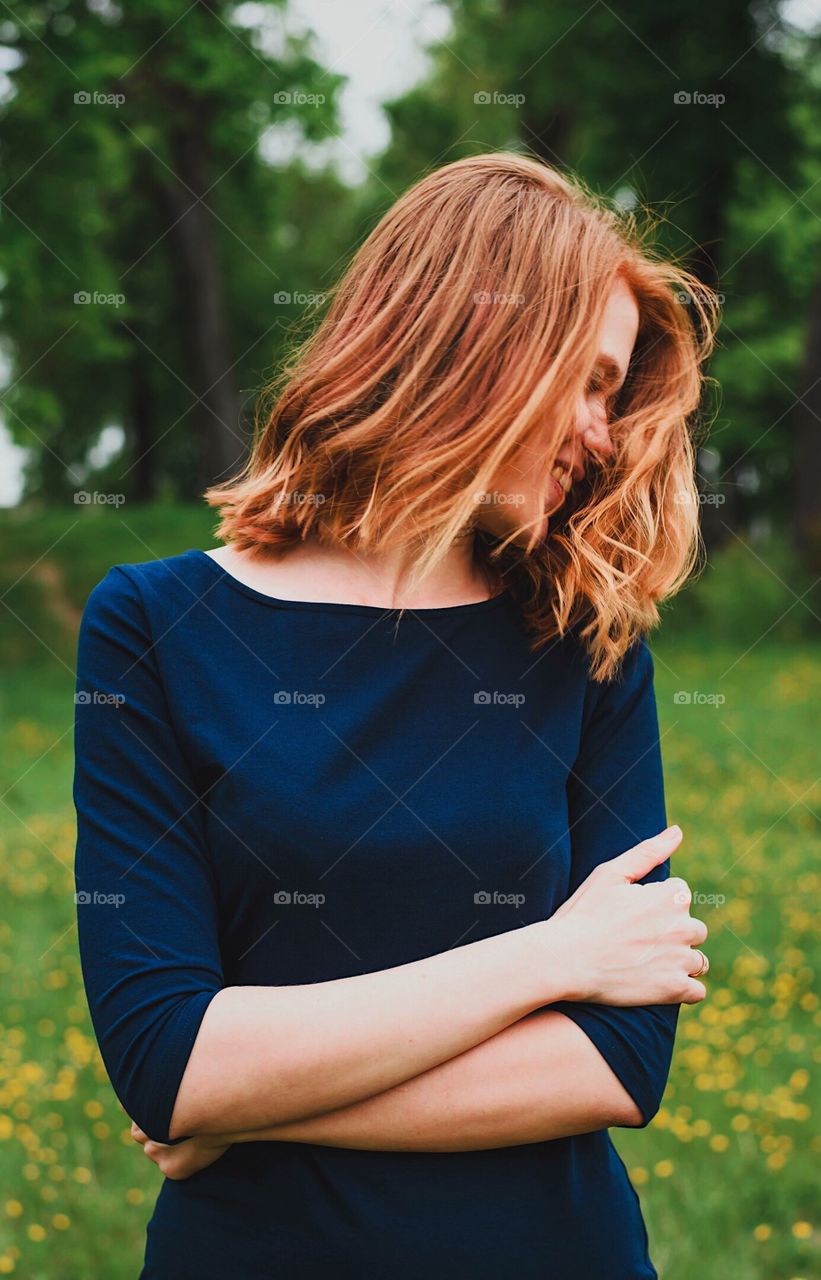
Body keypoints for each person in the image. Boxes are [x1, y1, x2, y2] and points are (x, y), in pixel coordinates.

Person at [73, 151, 718, 1279]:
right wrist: (549, 955)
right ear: (478, 341)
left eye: (612, 395)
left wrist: (250, 1099)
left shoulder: (584, 641)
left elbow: (617, 1062)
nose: (601, 432)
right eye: (586, 381)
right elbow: (166, 1058)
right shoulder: (154, 628)